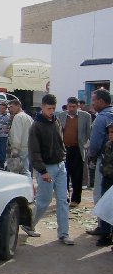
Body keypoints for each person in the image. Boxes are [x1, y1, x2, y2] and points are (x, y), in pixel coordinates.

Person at [22, 93, 73, 244]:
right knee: (44, 201)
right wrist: (43, 171)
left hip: (60, 165)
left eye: (53, 108)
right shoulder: (36, 126)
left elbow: (60, 141)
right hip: (47, 168)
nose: (51, 111)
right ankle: (28, 224)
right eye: (49, 108)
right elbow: (34, 151)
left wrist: (63, 156)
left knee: (63, 201)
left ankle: (64, 234)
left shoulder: (55, 120)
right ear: (42, 107)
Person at [86, 88, 113, 245]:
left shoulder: (101, 118)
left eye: (94, 100)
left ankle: (104, 230)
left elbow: (95, 144)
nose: (92, 103)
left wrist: (92, 157)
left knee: (101, 196)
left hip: (106, 164)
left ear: (102, 102)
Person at [57, 97, 91, 207]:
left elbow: (89, 133)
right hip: (64, 149)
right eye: (69, 106)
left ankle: (76, 199)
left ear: (78, 106)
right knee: (64, 174)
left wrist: (87, 145)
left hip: (78, 149)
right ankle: (64, 197)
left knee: (77, 176)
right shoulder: (61, 116)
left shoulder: (86, 116)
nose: (71, 109)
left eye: (73, 107)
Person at [7, 99, 33, 178]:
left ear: (18, 106)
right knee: (26, 169)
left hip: (20, 148)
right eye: (9, 108)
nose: (10, 109)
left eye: (12, 107)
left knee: (21, 171)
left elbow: (17, 134)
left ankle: (27, 187)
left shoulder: (18, 117)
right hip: (28, 147)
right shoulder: (29, 117)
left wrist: (15, 148)